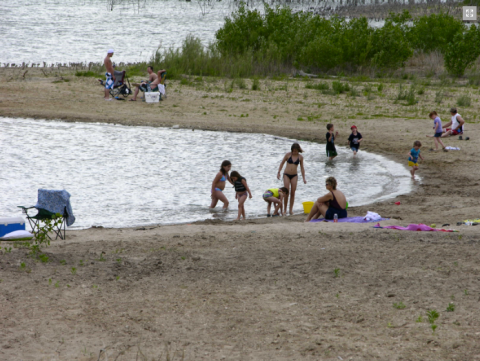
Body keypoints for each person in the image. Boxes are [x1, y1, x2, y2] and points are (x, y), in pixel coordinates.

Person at [276, 143, 307, 215]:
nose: (295, 152)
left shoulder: (300, 157)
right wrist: (278, 172)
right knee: (286, 192)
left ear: (298, 150)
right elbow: (282, 163)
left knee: (293, 193)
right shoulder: (288, 155)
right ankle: (284, 210)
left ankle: (290, 210)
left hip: (294, 175)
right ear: (292, 150)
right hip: (286, 175)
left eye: (296, 151)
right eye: (293, 151)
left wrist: (304, 178)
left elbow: (302, 168)